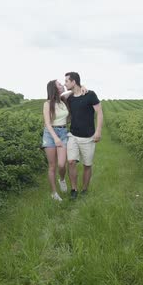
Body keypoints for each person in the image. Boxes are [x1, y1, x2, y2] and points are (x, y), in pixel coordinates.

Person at [41, 79, 87, 201]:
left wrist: (82, 86)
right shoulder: (47, 104)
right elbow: (47, 123)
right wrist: (55, 138)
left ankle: (61, 180)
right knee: (52, 166)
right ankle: (54, 193)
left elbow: (74, 90)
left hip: (63, 132)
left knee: (62, 165)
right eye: (60, 84)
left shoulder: (63, 100)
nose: (62, 85)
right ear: (54, 88)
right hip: (50, 134)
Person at [61, 72, 103, 200]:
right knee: (71, 162)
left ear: (74, 81)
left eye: (67, 81)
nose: (65, 83)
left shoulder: (90, 95)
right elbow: (60, 96)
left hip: (88, 137)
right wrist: (79, 87)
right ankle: (74, 189)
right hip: (73, 135)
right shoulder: (70, 98)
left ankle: (85, 189)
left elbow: (100, 113)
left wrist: (98, 131)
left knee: (87, 165)